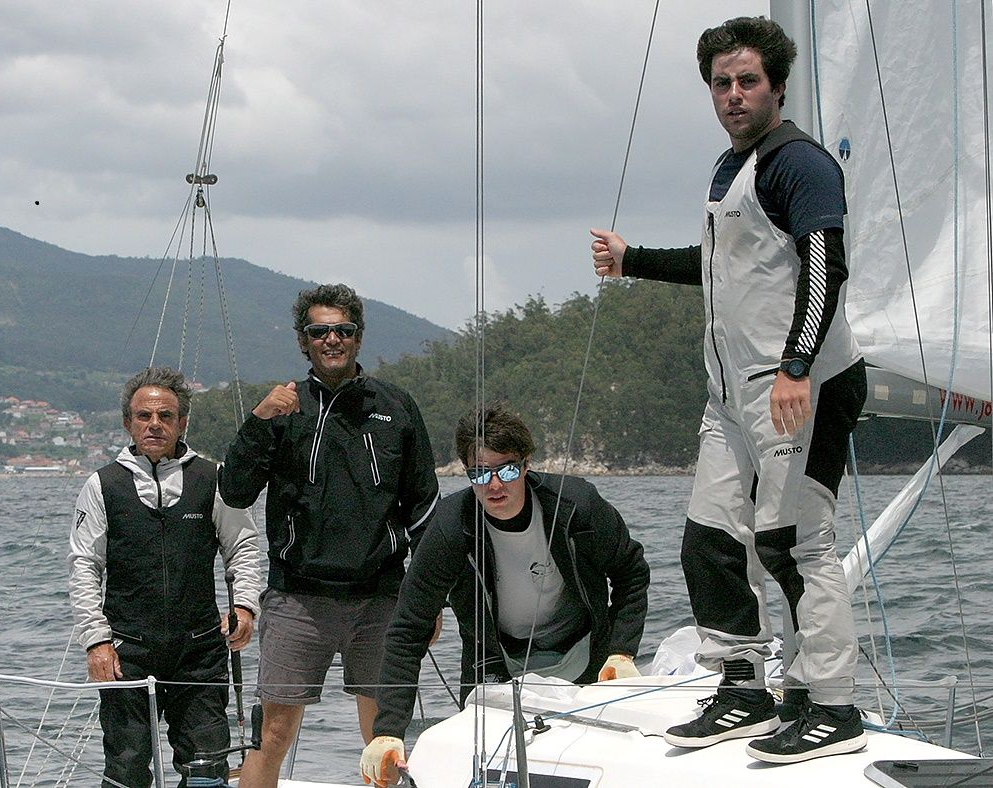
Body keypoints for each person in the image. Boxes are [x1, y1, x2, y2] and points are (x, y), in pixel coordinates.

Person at [589, 16, 868, 765]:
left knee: (793, 543)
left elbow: (823, 266)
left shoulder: (798, 164)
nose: (734, 94)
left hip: (798, 385)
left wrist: (795, 367)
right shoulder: (730, 166)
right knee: (709, 543)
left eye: (747, 81)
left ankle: (830, 705)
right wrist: (633, 261)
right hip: (731, 393)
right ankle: (743, 686)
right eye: (721, 82)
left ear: (777, 85)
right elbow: (725, 266)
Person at [219, 283, 441, 788]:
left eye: (343, 330)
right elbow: (234, 492)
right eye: (320, 331)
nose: (333, 339)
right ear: (304, 341)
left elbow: (425, 507)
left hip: (381, 598)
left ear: (359, 339)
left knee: (386, 740)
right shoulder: (281, 410)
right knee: (270, 737)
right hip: (298, 599)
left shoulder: (396, 407)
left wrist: (427, 604)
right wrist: (257, 422)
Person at [361, 404, 650, 786]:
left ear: (527, 465)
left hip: (587, 657)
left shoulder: (577, 505)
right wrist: (388, 729)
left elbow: (632, 574)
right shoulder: (450, 528)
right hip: (494, 665)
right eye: (480, 473)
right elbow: (407, 630)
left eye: (507, 469)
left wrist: (622, 651)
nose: (495, 486)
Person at [68, 366, 261, 787]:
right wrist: (96, 640)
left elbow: (242, 548)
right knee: (126, 765)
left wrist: (245, 606)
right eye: (144, 416)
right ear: (128, 423)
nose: (154, 424)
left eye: (165, 416)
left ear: (182, 423)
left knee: (208, 765)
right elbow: (85, 566)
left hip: (200, 650)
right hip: (125, 650)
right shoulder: (102, 486)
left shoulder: (212, 479)